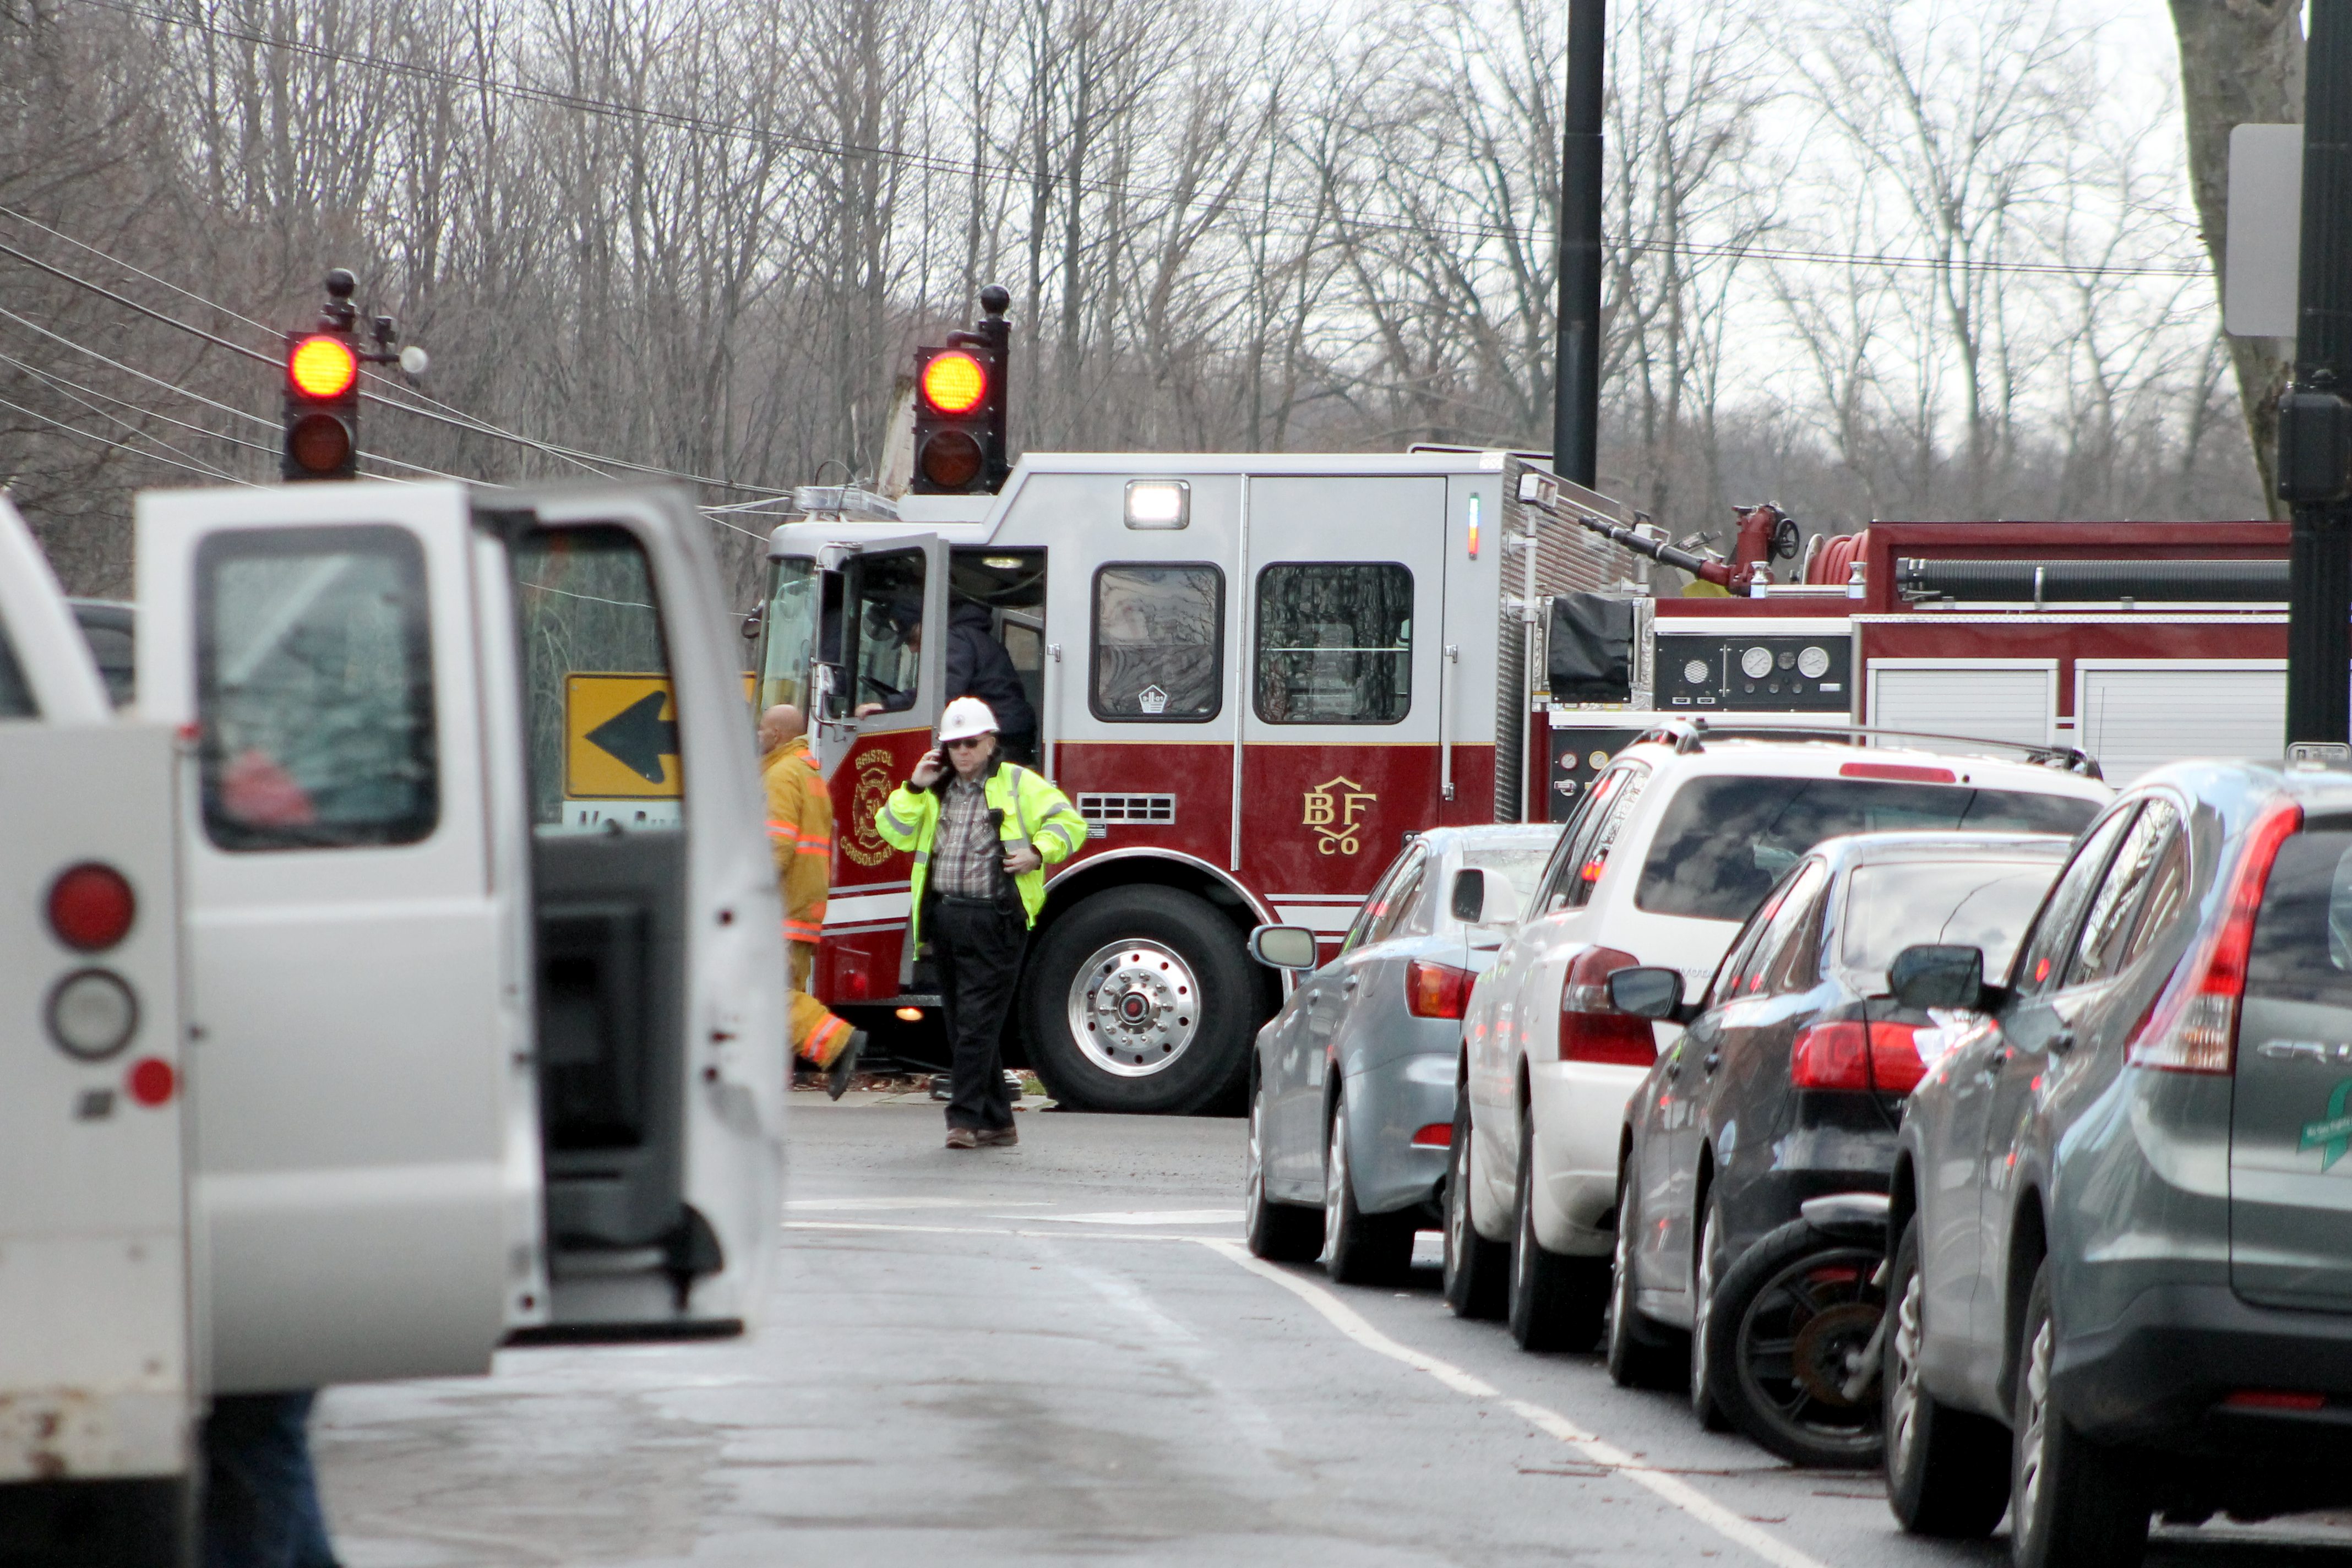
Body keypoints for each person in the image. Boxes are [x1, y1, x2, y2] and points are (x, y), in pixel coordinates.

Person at [873, 696, 1085, 1147]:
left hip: (997, 918)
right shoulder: (934, 790)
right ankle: (999, 1121)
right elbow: (892, 831)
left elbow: (1070, 823)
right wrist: (913, 787)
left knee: (977, 1023)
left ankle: (963, 1119)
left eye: (971, 742)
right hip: (945, 917)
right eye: (954, 745)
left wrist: (1038, 852)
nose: (963, 752)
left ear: (991, 743)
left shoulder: (1019, 783)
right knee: (962, 1022)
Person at [759, 703, 863, 1098]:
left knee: (765, 992)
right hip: (803, 907)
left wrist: (752, 900)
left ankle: (839, 1043)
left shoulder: (780, 775)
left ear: (780, 735)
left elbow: (776, 847)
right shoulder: (808, 773)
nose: (758, 736)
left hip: (780, 908)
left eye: (764, 729)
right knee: (783, 995)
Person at [854, 601, 1039, 761]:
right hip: (1010, 732)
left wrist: (888, 706)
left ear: (924, 623)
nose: (911, 649)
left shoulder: (956, 639)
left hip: (999, 737)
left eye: (910, 638)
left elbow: (943, 693)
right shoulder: (970, 636)